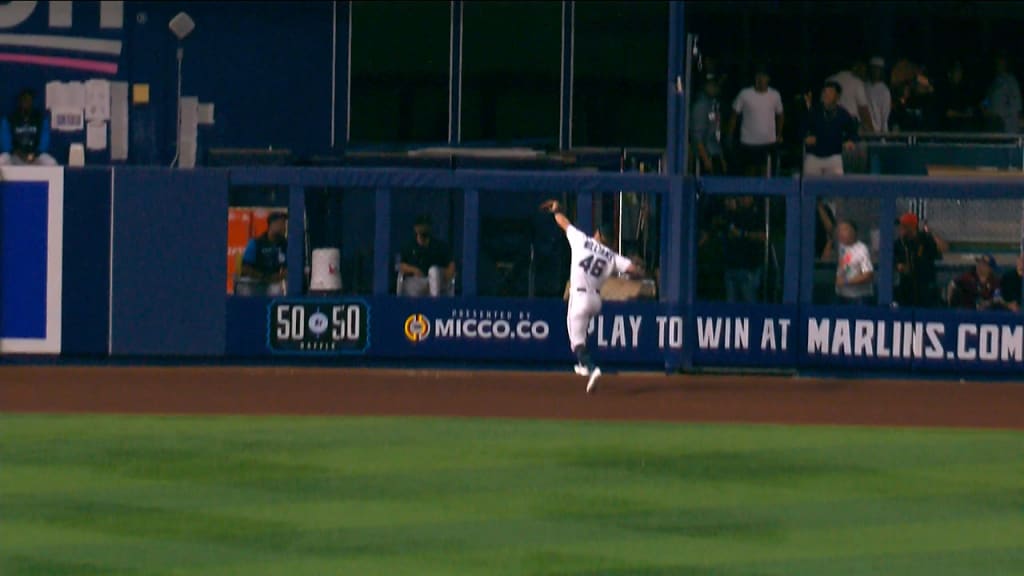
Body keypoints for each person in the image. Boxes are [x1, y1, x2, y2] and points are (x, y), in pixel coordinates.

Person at [540, 198, 638, 394]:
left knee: (576, 342)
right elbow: (633, 269)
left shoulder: (582, 240)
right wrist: (640, 272)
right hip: (595, 300)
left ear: (598, 234)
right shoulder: (611, 256)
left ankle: (592, 369)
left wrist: (556, 209)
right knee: (582, 331)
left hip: (579, 297)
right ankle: (584, 366)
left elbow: (563, 222)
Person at [728, 66, 784, 177]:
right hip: (748, 143)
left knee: (766, 174)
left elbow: (780, 115)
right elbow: (734, 116)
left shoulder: (775, 95)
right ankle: (748, 195)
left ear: (768, 79)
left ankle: (764, 195)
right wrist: (729, 135)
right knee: (749, 174)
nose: (761, 79)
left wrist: (779, 134)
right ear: (755, 78)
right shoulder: (744, 94)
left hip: (768, 143)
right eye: (759, 76)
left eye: (764, 76)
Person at [802, 81, 859, 176]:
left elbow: (853, 133)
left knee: (836, 188)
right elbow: (802, 129)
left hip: (834, 157)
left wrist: (851, 141)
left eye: (830, 92)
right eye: (825, 92)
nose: (826, 95)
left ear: (837, 96)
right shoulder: (814, 112)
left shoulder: (843, 114)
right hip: (814, 157)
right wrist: (806, 138)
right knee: (810, 187)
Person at [893, 212, 946, 308]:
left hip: (925, 284)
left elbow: (942, 248)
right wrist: (899, 266)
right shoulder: (899, 243)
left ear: (911, 227)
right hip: (906, 286)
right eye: (900, 226)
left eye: (904, 226)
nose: (900, 228)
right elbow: (894, 260)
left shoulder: (924, 239)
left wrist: (930, 234)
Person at [398, 216, 456, 298]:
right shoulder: (409, 246)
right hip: (416, 280)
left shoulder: (439, 246)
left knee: (433, 271)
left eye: (426, 226)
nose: (423, 228)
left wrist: (446, 275)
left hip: (436, 281)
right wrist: (414, 270)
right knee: (411, 288)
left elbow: (451, 266)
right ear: (415, 228)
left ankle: (434, 304)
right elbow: (400, 266)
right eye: (421, 226)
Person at [0, 89, 57, 166]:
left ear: (32, 102)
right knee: (2, 160)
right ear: (19, 102)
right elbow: (6, 142)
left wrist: (36, 153)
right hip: (15, 155)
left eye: (29, 100)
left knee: (51, 163)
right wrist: (17, 153)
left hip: (35, 155)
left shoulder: (40, 118)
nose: (26, 102)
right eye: (24, 100)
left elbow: (44, 141)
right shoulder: (10, 118)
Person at [240, 212, 288, 295]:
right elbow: (245, 268)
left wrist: (277, 277)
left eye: (284, 224)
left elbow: (288, 269)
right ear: (272, 225)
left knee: (276, 289)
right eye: (281, 224)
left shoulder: (285, 245)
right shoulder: (256, 243)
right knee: (245, 290)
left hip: (272, 282)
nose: (284, 227)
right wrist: (263, 277)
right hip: (254, 280)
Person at [691, 74, 726, 175]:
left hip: (715, 154)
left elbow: (715, 134)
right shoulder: (700, 106)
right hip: (706, 156)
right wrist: (706, 159)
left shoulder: (713, 105)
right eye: (713, 85)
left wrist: (721, 158)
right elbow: (697, 136)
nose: (717, 88)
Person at [828, 60, 875, 133]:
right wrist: (872, 131)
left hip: (831, 124)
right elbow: (863, 111)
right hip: (850, 125)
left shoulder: (829, 81)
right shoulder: (857, 83)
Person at [834, 220, 874, 305]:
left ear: (854, 232)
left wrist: (845, 282)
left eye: (845, 229)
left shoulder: (862, 249)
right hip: (841, 296)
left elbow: (868, 275)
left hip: (858, 298)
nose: (841, 233)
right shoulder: (841, 246)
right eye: (839, 230)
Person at [983, 54, 1022, 134]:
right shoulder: (993, 83)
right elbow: (987, 99)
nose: (999, 65)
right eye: (997, 63)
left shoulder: (1011, 81)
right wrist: (984, 106)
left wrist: (1001, 115)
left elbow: (1016, 106)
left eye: (1001, 62)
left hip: (1007, 127)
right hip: (992, 125)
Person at [867, 57, 892, 133]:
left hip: (878, 131)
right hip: (864, 130)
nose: (875, 71)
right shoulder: (863, 86)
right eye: (874, 68)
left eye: (878, 69)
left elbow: (885, 115)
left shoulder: (884, 90)